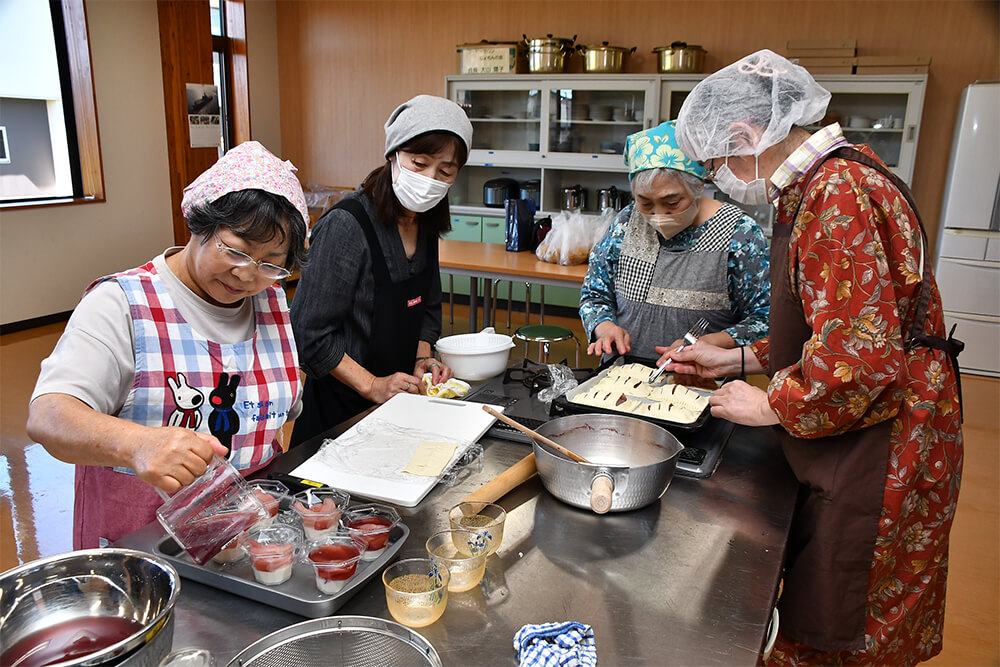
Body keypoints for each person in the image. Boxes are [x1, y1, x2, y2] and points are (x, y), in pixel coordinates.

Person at [669, 50, 963, 665]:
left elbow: (861, 362)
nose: (719, 177)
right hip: (882, 416)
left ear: (746, 135)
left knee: (846, 616)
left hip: (886, 442)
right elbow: (833, 320)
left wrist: (771, 400)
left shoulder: (837, 193)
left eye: (717, 162)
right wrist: (738, 361)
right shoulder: (829, 178)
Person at [27, 141, 310, 548]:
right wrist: (138, 444)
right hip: (148, 542)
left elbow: (282, 410)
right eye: (236, 250)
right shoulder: (123, 303)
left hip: (253, 533)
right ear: (200, 224)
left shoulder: (272, 302)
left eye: (270, 263)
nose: (248, 275)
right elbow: (48, 415)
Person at [289, 95, 472, 445]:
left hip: (395, 408)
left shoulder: (425, 222)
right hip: (337, 415)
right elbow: (307, 333)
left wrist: (422, 361)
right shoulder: (347, 226)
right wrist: (372, 384)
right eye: (419, 163)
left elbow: (427, 306)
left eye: (445, 171)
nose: (430, 180)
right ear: (393, 155)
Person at [579, 120, 770, 365]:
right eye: (645, 203)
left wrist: (712, 342)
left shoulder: (740, 235)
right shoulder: (626, 223)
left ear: (699, 185)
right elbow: (595, 293)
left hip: (704, 382)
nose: (658, 215)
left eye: (672, 203)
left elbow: (764, 319)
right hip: (619, 379)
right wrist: (603, 325)